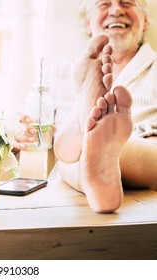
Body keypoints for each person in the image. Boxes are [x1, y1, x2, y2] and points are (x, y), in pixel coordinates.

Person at [16, 0, 157, 214]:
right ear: (87, 23)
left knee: (75, 153)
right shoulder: (58, 74)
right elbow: (20, 123)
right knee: (75, 154)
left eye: (127, 3)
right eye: (104, 5)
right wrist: (21, 131)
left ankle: (84, 136)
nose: (116, 10)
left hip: (146, 160)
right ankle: (90, 156)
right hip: (71, 190)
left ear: (145, 21)